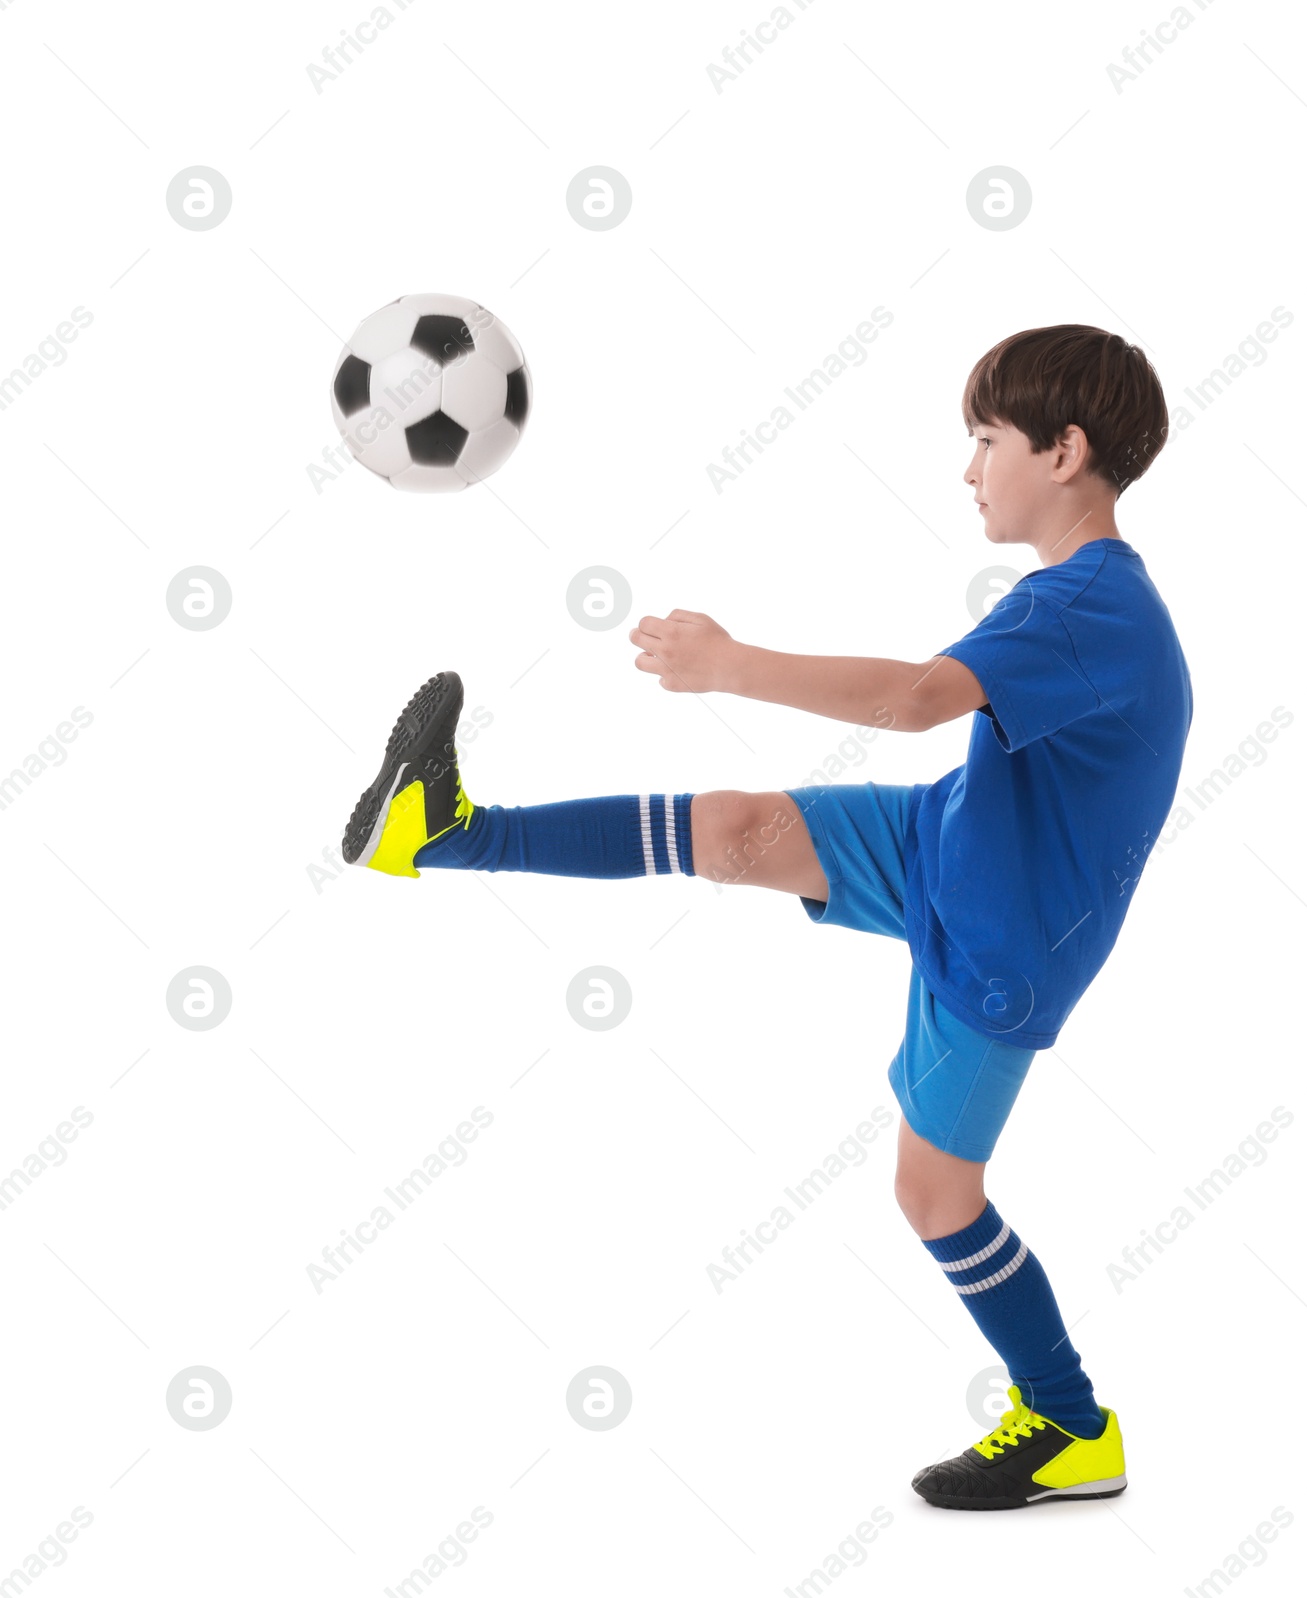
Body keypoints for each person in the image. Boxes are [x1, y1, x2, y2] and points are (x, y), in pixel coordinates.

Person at [340, 324, 1192, 1510]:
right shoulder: (1071, 594)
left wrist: (732, 662)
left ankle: (1067, 1420)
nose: (967, 468)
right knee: (733, 827)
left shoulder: (1092, 604)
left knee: (934, 1196)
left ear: (1064, 452)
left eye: (985, 440)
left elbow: (910, 698)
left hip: (1000, 941)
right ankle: (440, 828)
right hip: (951, 840)